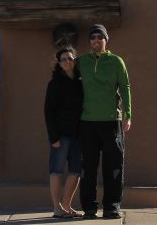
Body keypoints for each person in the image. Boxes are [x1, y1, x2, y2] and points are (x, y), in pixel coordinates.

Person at [77, 24, 132, 220]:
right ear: (90, 41)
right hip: (87, 122)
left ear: (106, 40)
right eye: (92, 37)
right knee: (88, 168)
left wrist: (128, 114)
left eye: (100, 37)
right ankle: (89, 209)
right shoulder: (81, 62)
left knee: (114, 167)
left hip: (111, 121)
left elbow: (125, 87)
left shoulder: (117, 62)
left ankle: (112, 207)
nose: (96, 40)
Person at [44, 45, 83, 219]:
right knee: (56, 171)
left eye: (70, 58)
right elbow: (48, 111)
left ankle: (67, 205)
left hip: (78, 135)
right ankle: (57, 208)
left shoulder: (81, 82)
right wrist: (53, 137)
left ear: (75, 60)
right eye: (64, 59)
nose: (67, 61)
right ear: (59, 64)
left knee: (76, 171)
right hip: (60, 135)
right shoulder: (55, 84)